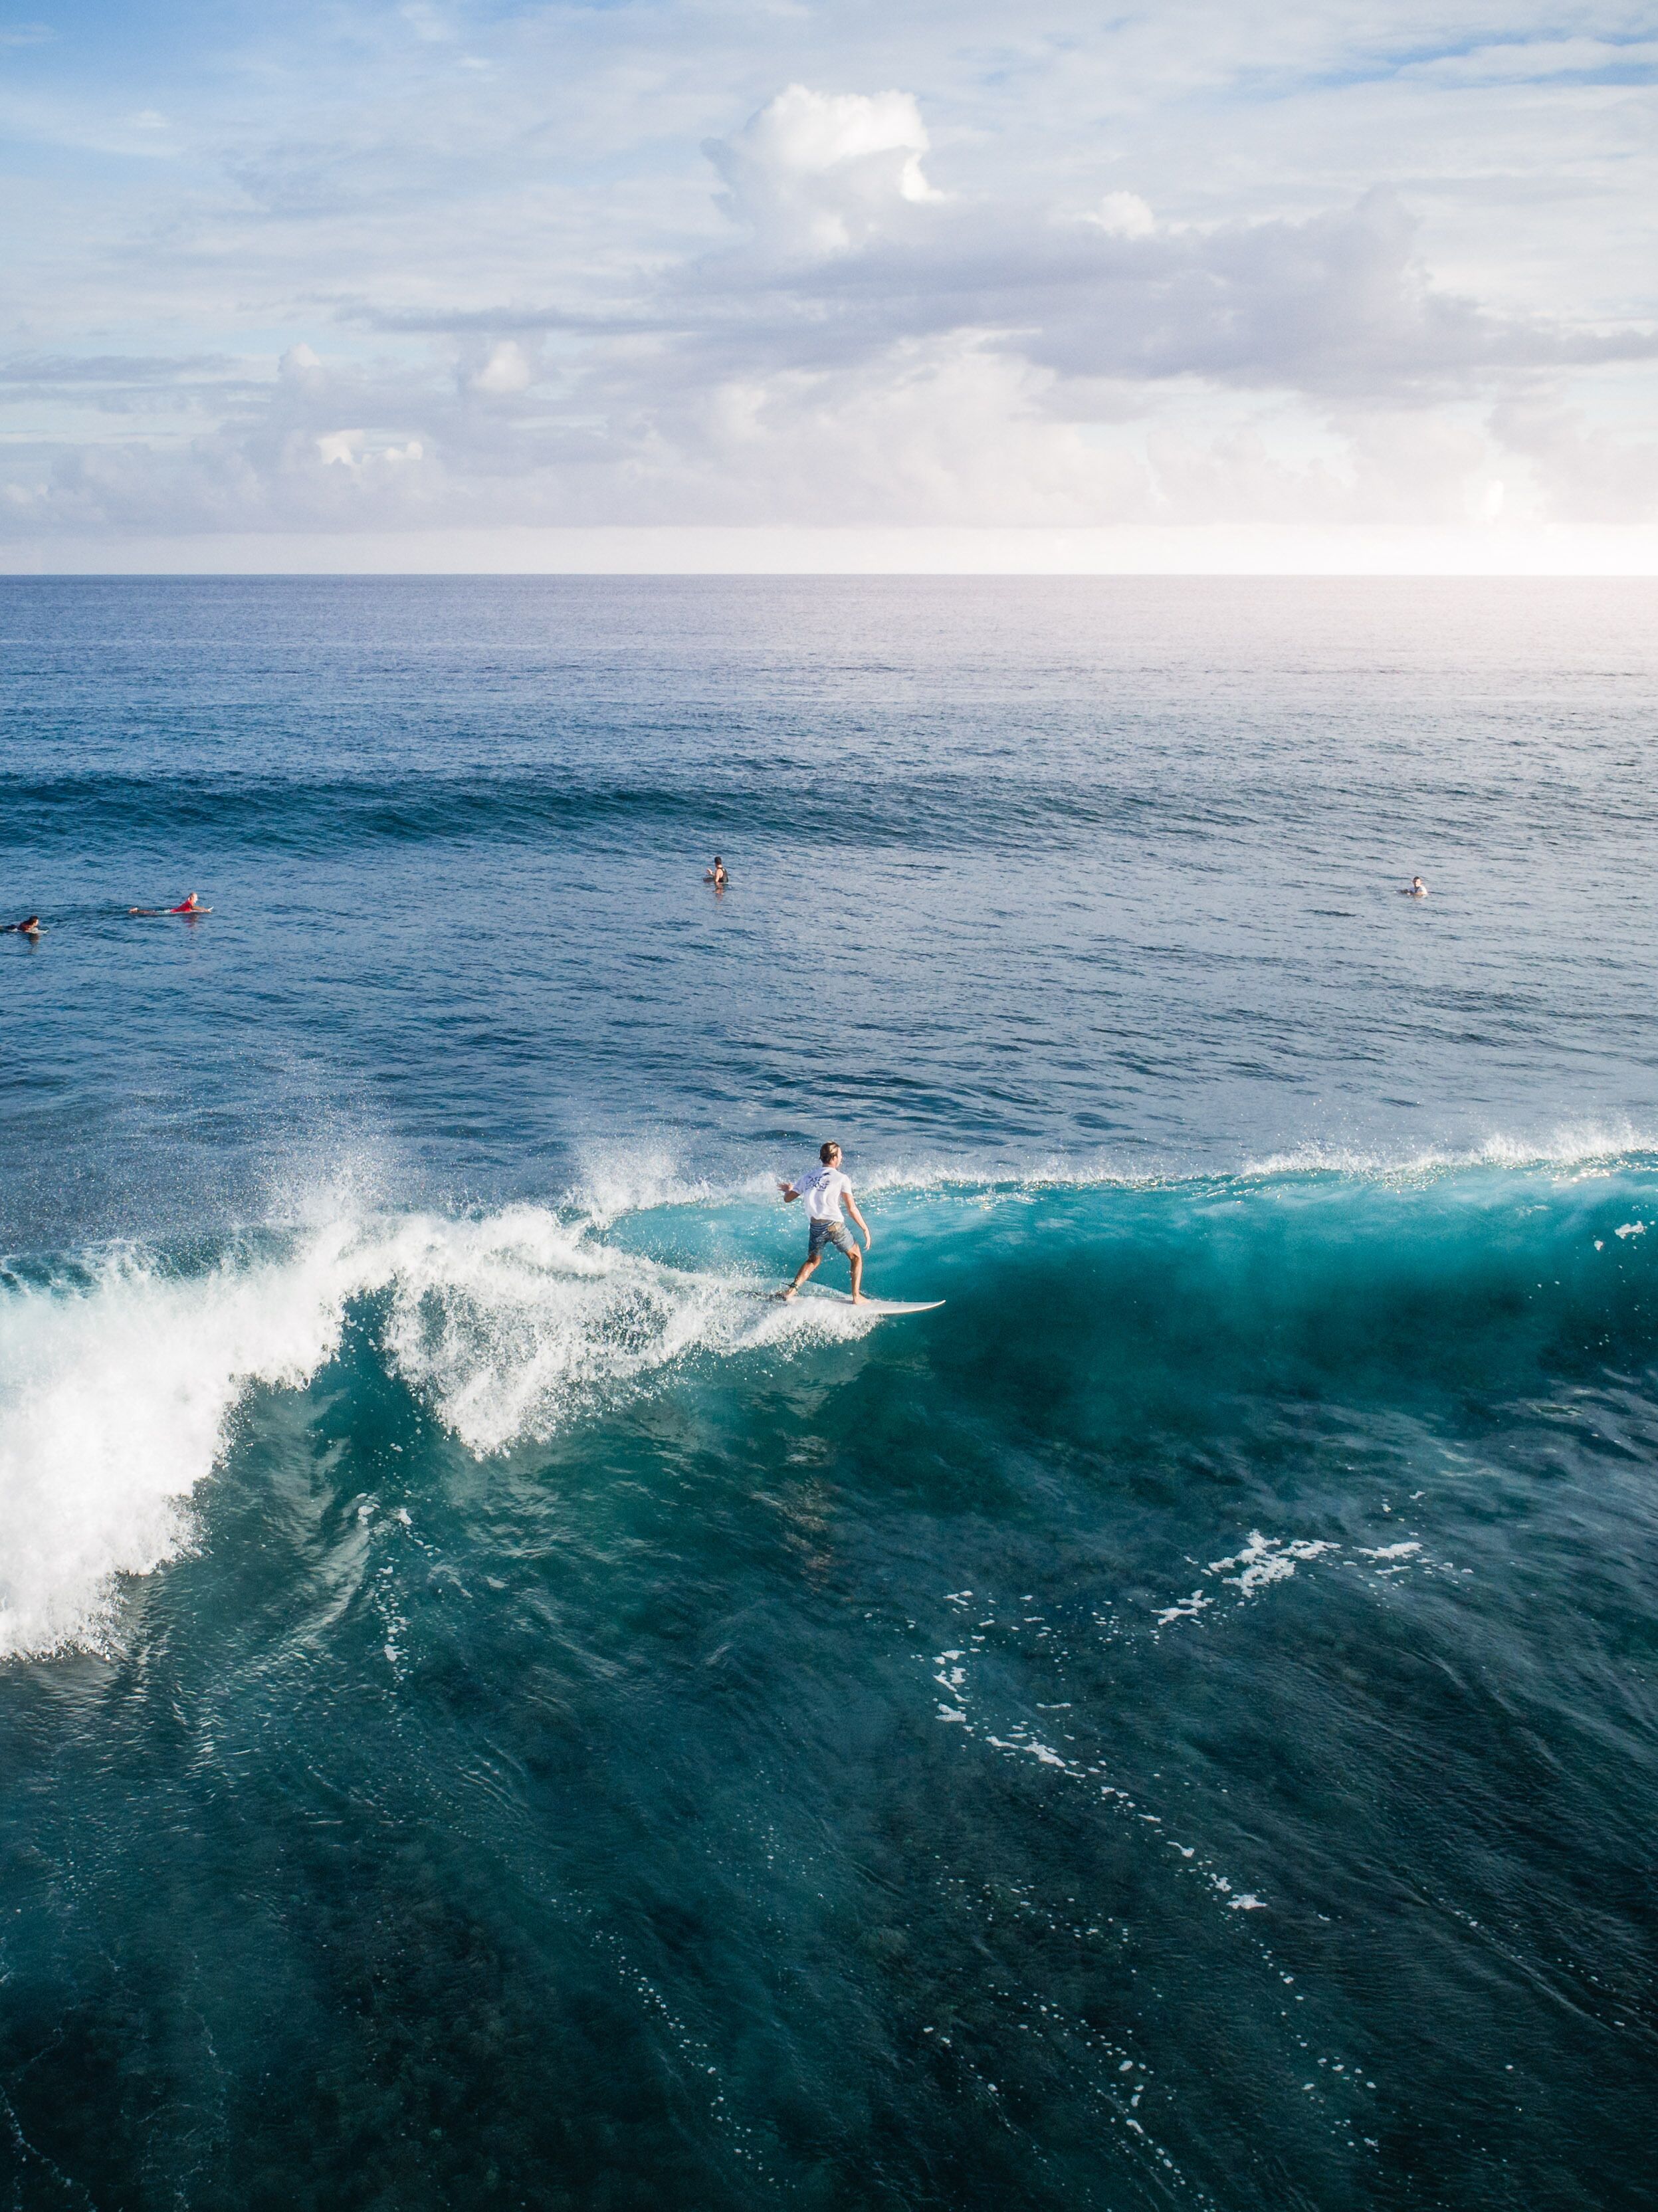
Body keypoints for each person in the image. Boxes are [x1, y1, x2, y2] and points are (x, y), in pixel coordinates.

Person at [775, 1141, 873, 1303]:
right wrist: (865, 1229)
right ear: (834, 1158)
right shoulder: (841, 1178)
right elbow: (852, 1209)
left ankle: (790, 1293)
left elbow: (788, 1199)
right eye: (840, 1155)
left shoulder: (807, 1177)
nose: (842, 1158)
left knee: (813, 1261)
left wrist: (789, 1189)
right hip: (835, 1226)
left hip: (816, 1227)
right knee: (856, 1256)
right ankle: (857, 1297)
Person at [129, 892, 211, 915]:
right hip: (172, 912)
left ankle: (137, 911)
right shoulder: (189, 903)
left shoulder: (188, 903)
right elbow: (193, 908)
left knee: (153, 912)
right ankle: (136, 911)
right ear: (192, 898)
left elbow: (191, 909)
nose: (197, 899)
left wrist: (202, 911)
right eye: (196, 898)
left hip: (172, 911)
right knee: (153, 913)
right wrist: (205, 910)